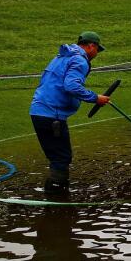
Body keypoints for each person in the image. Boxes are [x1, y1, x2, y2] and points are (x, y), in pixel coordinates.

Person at [29, 31, 111, 196]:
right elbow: (72, 86)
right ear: (91, 46)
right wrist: (96, 98)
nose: (96, 54)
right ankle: (57, 201)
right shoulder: (80, 60)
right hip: (52, 115)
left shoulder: (61, 57)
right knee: (61, 159)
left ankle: (55, 198)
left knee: (57, 157)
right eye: (97, 50)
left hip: (39, 111)